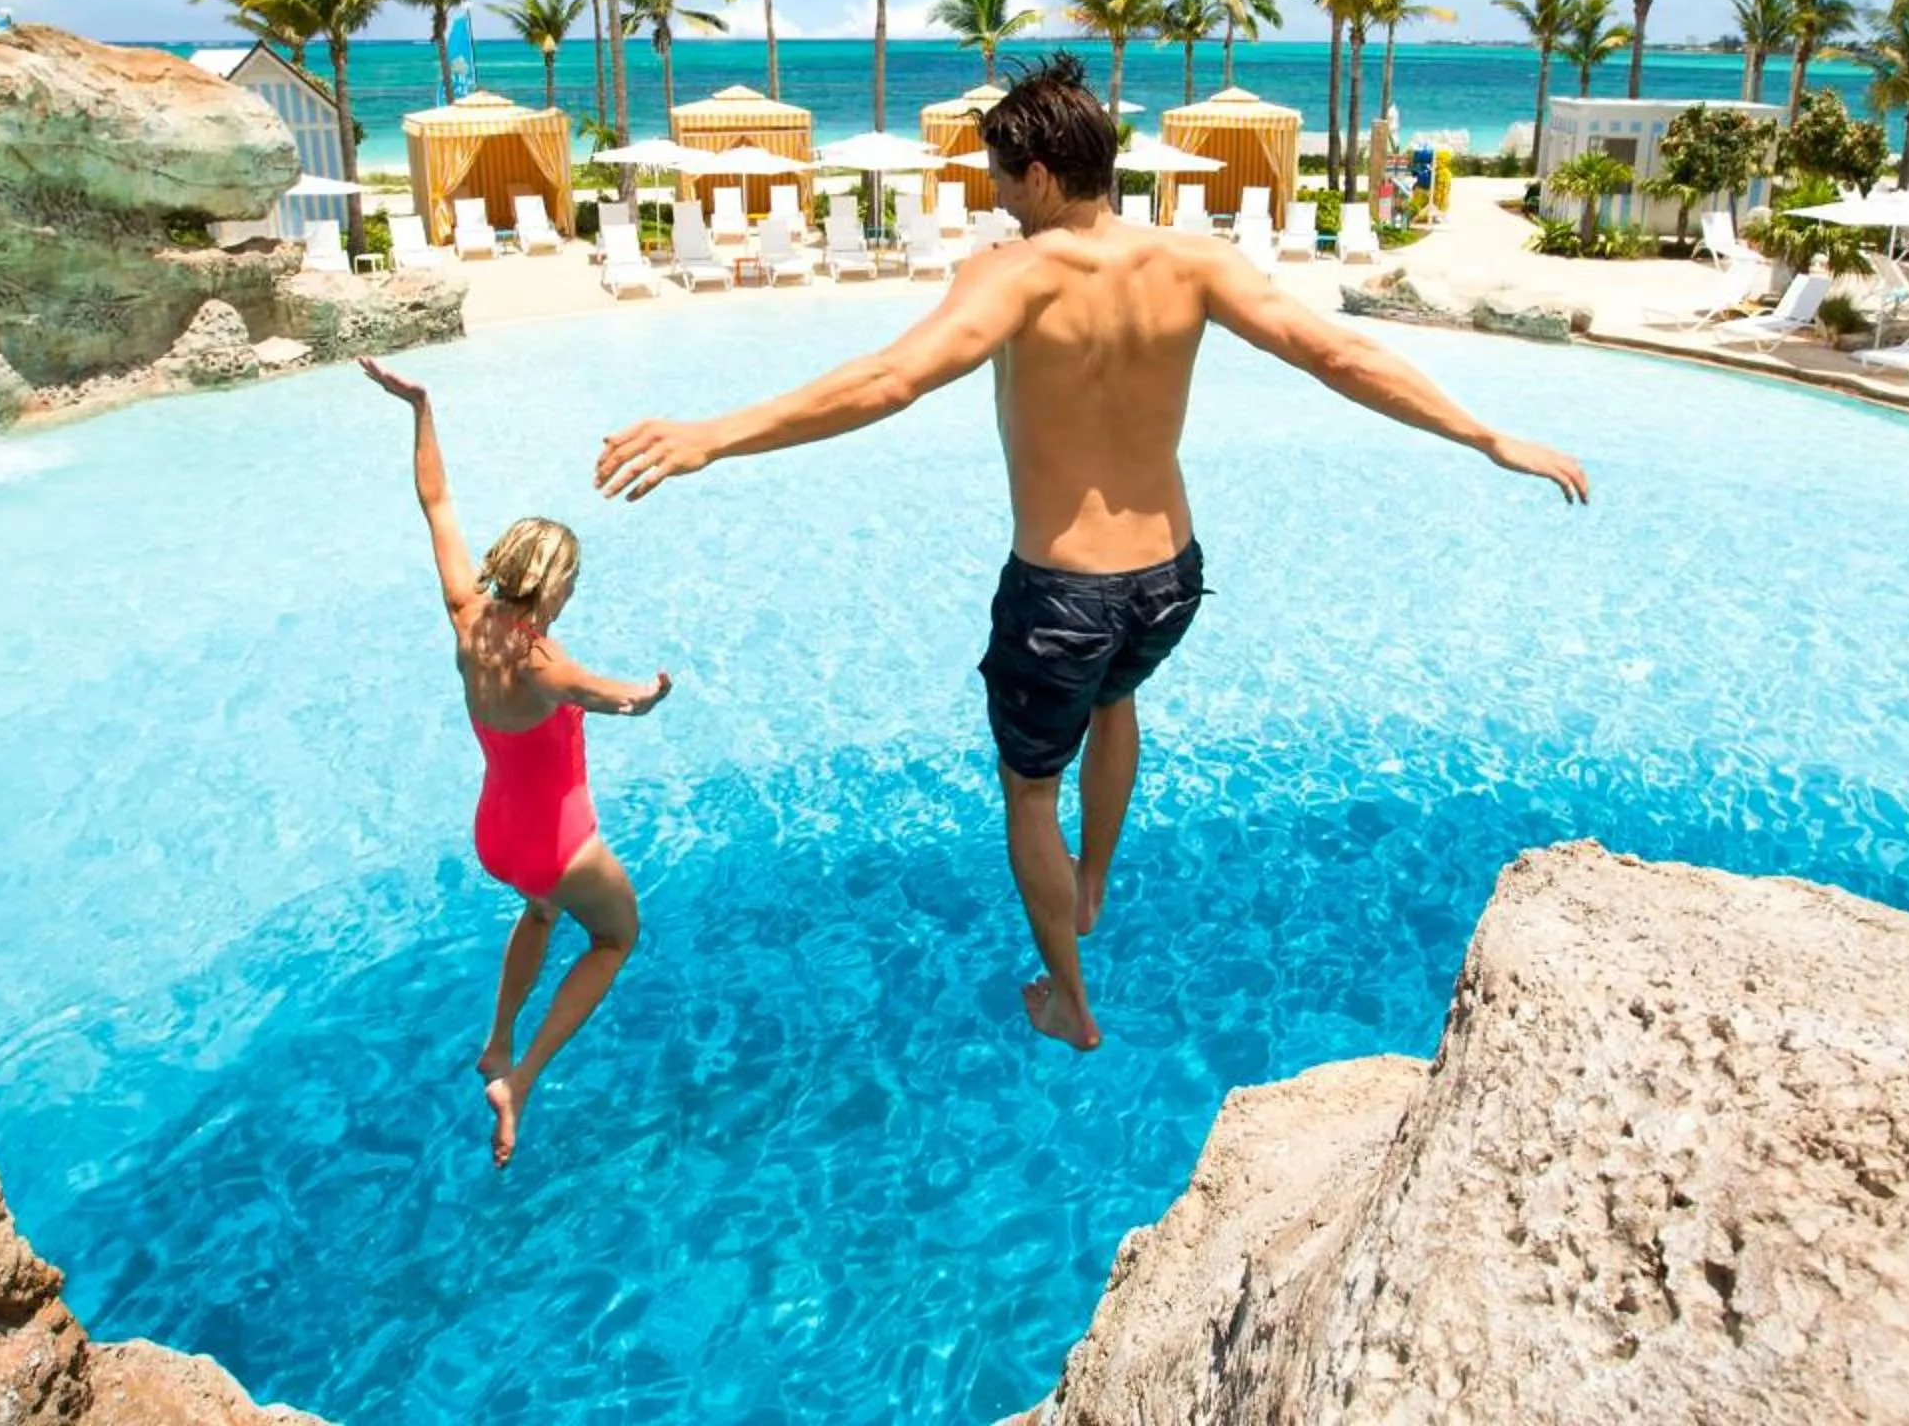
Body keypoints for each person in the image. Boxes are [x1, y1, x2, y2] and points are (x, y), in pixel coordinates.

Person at [594, 54, 1587, 1052]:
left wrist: (713, 434)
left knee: (1030, 789)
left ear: (1037, 175)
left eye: (996, 175)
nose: (992, 194)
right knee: (1116, 700)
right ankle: (1097, 878)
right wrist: (1485, 434)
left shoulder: (1014, 272)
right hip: (1168, 580)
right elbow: (1335, 352)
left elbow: (892, 378)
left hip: (1062, 594)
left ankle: (1071, 998)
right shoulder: (1193, 262)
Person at [363, 357, 672, 1167]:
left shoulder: (467, 613)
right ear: (554, 585)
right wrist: (652, 691)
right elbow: (621, 699)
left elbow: (435, 499)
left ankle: (498, 1039)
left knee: (540, 914)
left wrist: (422, 408)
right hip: (558, 841)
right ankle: (523, 1077)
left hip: (495, 832)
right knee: (614, 938)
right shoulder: (543, 665)